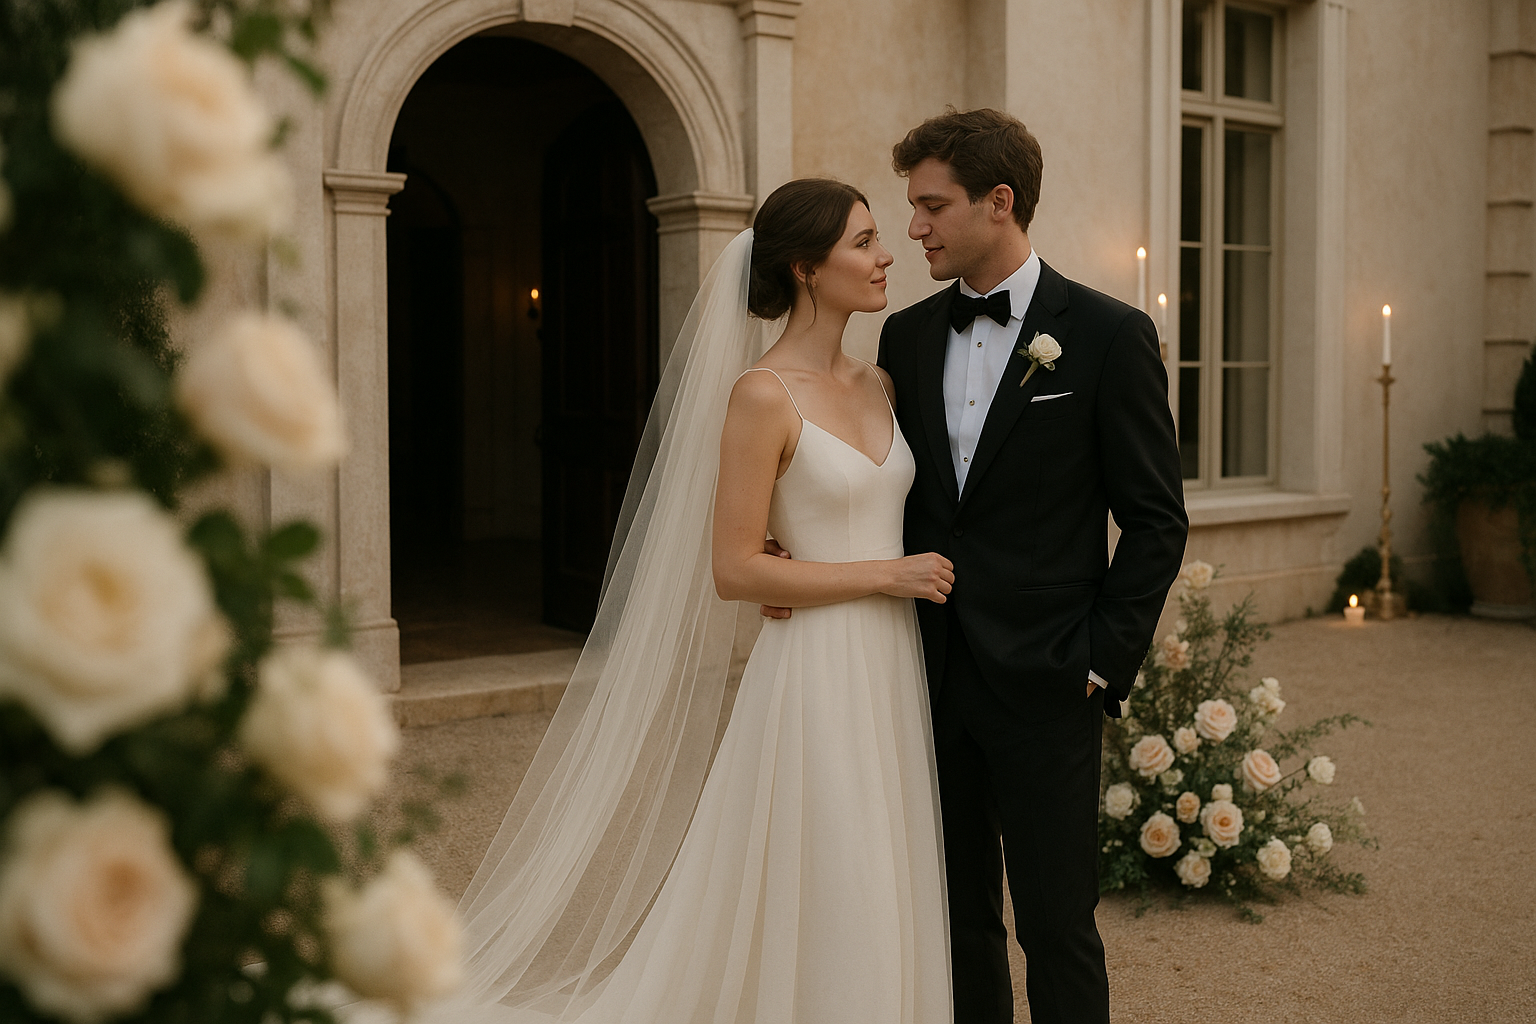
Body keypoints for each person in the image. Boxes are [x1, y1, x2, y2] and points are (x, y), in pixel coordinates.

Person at [412, 180, 955, 1024]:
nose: (887, 255)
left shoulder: (882, 383)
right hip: (814, 667)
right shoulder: (761, 394)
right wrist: (883, 576)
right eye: (864, 240)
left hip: (891, 661)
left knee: (885, 854)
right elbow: (735, 568)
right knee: (836, 856)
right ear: (808, 269)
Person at [876, 107, 1189, 1023]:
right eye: (912, 207)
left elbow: (1156, 521)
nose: (914, 227)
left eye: (932, 206)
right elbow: (883, 485)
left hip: (1052, 678)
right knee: (956, 918)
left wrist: (1099, 659)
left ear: (999, 202)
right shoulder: (904, 337)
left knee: (1057, 924)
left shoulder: (1105, 335)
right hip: (928, 670)